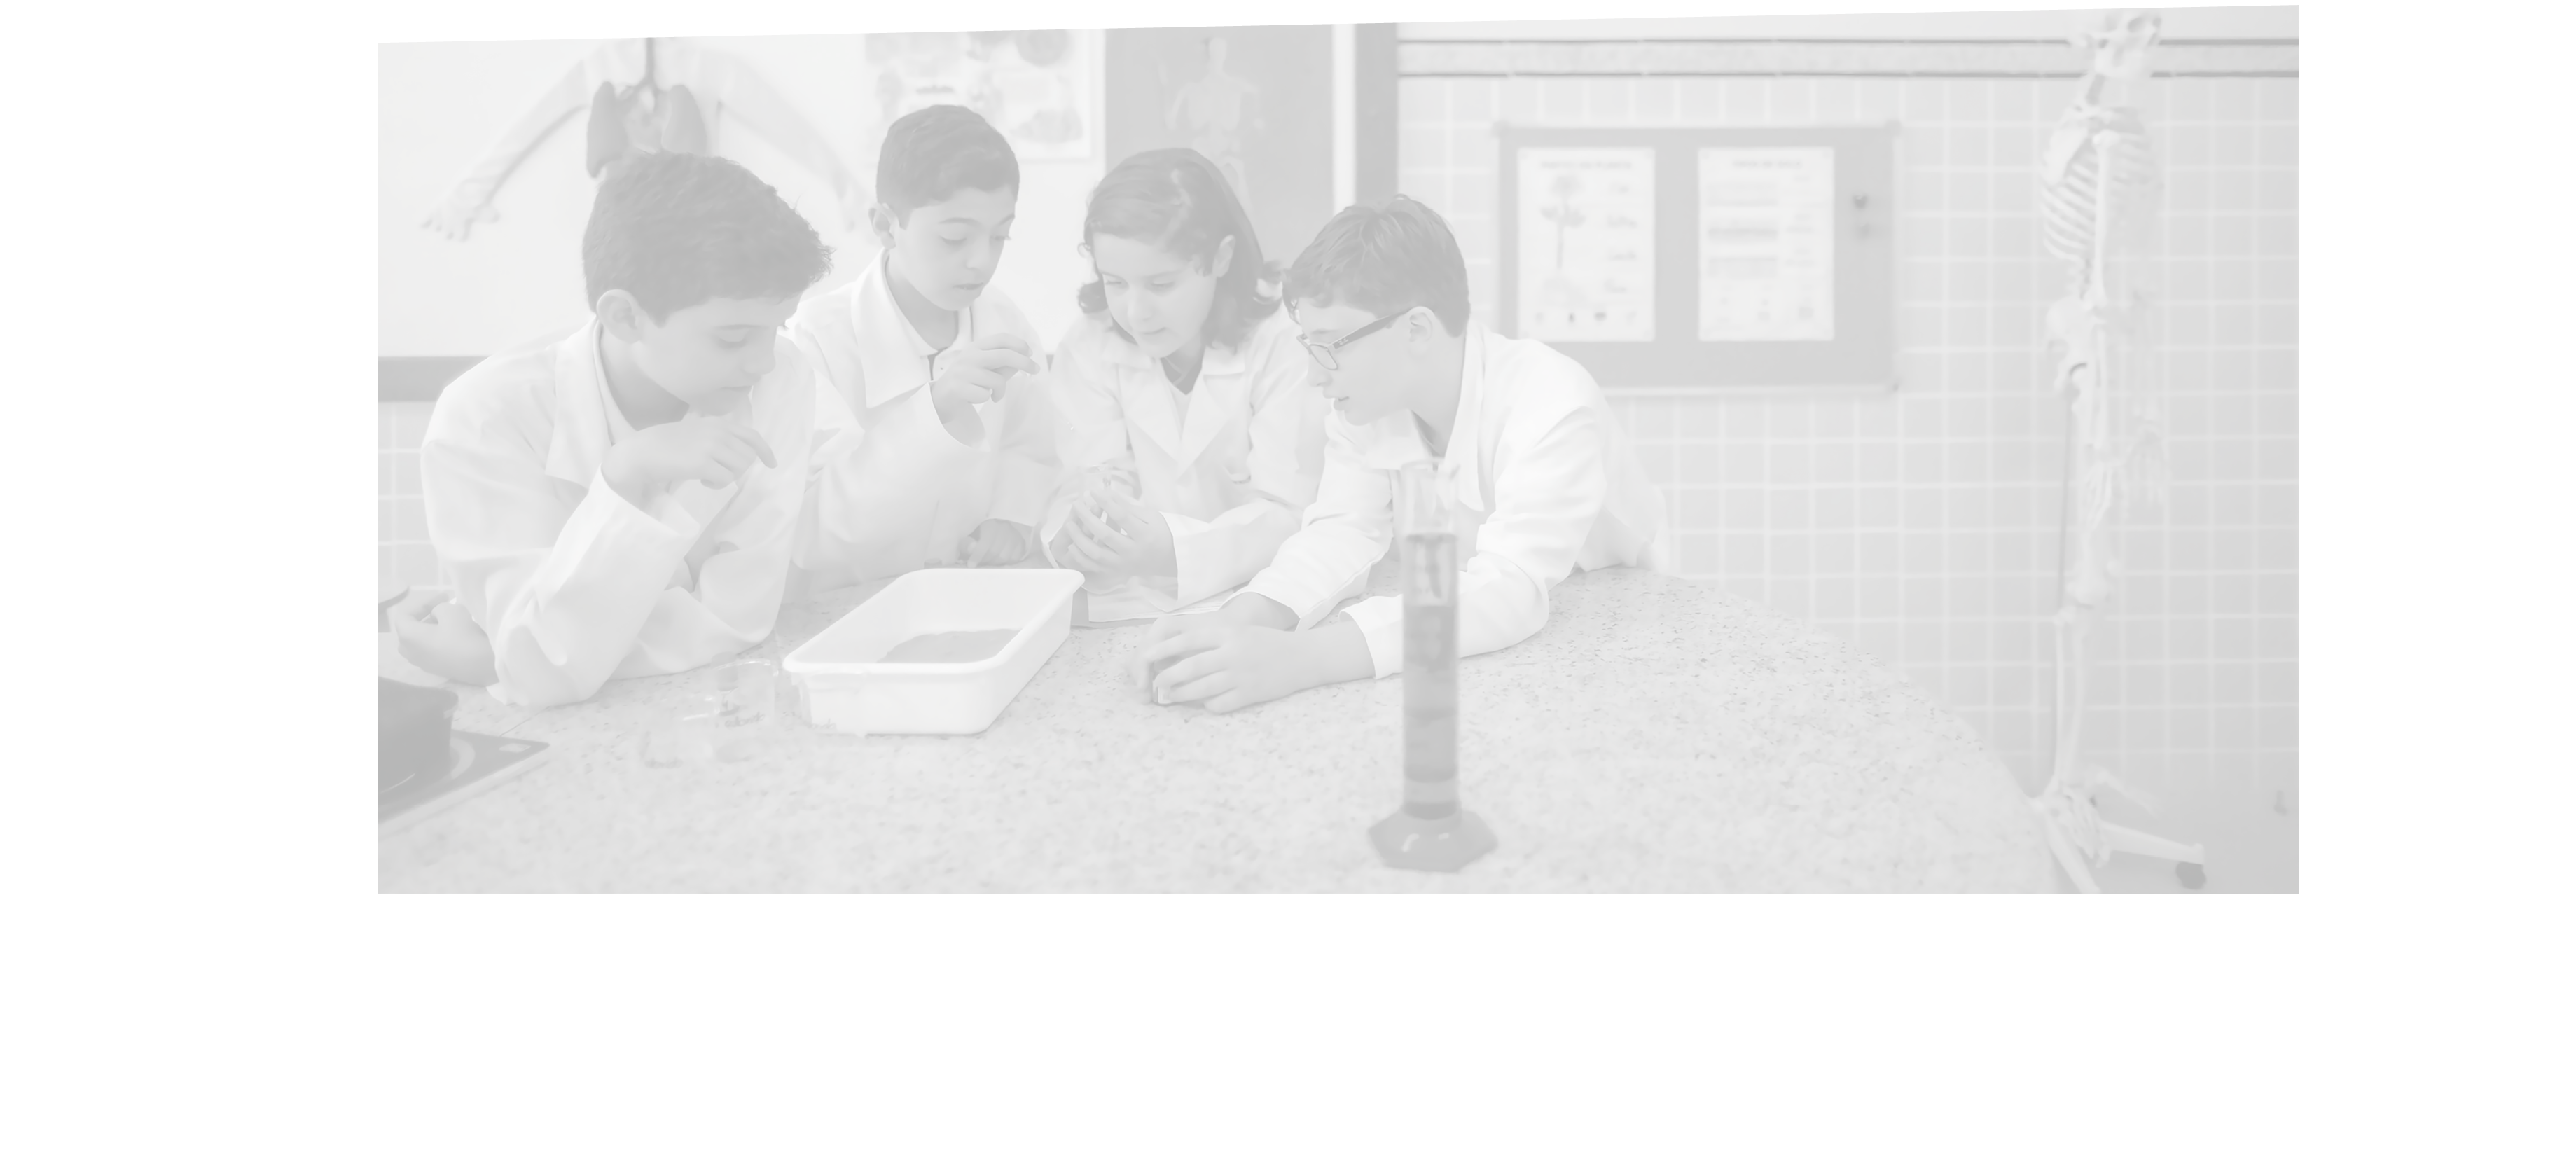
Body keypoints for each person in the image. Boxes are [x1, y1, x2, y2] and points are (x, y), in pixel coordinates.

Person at [1125, 195, 1673, 713]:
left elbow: (1512, 588)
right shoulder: (1364, 404)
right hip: (1464, 617)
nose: (1314, 375)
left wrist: (1302, 660)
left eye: (1330, 345)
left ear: (1415, 328)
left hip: (1606, 621)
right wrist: (1242, 620)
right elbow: (1342, 530)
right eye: (1307, 345)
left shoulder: (1550, 401)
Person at [390, 151, 834, 708]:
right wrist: (624, 479)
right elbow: (547, 667)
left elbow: (737, 621)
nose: (764, 362)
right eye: (732, 338)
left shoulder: (783, 379)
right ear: (626, 316)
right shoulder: (483, 420)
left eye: (778, 327)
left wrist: (501, 660)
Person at [1044, 148, 1332, 625]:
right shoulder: (1089, 343)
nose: (1136, 312)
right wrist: (1082, 537)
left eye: (1161, 285)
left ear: (1220, 258)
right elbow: (1088, 480)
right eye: (1115, 283)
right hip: (1129, 605)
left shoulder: (1283, 340)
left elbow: (1289, 509)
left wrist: (1175, 552)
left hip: (1259, 599)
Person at [787, 104, 1059, 595]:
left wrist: (1012, 517)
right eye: (955, 238)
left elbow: (1030, 446)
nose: (982, 261)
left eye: (1000, 236)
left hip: (966, 597)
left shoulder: (1004, 319)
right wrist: (934, 409)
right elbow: (814, 529)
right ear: (887, 227)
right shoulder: (817, 340)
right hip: (849, 608)